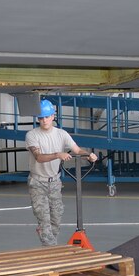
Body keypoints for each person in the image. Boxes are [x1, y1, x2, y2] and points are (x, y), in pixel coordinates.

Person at [25, 100, 97, 246]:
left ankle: (48, 240)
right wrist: (58, 154)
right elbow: (38, 157)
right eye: (41, 118)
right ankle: (51, 251)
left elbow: (77, 150)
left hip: (54, 182)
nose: (44, 120)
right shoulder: (32, 135)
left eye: (47, 117)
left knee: (56, 219)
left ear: (53, 116)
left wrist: (88, 155)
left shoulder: (61, 134)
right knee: (44, 219)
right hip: (37, 182)